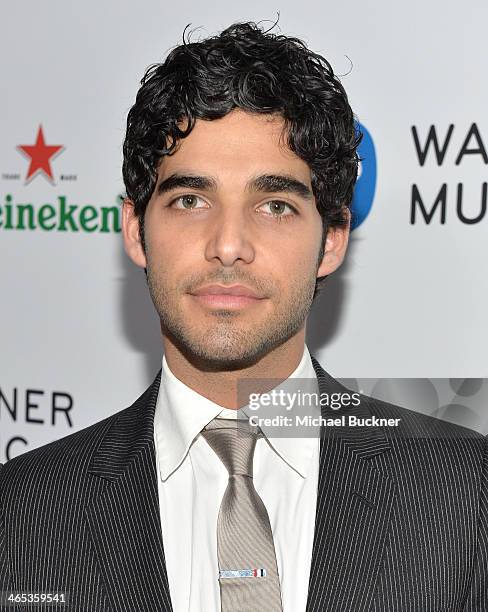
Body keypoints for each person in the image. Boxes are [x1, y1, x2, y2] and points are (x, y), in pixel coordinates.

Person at [1, 20, 487, 612]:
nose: (228, 244)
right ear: (134, 229)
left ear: (332, 240)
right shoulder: (21, 512)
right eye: (190, 200)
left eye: (275, 205)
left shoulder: (468, 494)